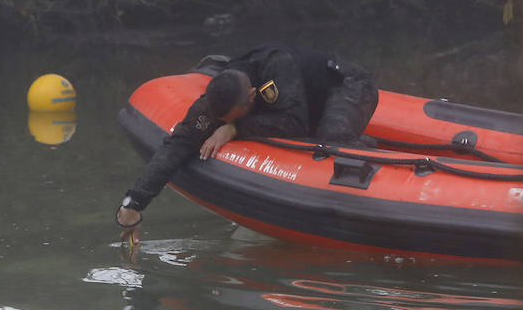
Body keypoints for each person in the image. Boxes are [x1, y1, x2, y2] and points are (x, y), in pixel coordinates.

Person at [115, 45, 378, 241]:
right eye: (221, 119)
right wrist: (133, 205)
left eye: (232, 117)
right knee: (312, 135)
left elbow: (293, 123)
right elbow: (178, 144)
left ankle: (368, 158)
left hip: (346, 85)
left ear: (252, 97)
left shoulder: (275, 73)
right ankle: (364, 141)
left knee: (332, 140)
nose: (220, 122)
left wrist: (235, 128)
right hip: (304, 101)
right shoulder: (214, 101)